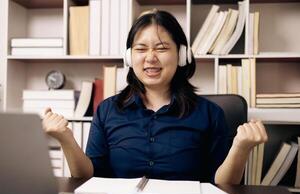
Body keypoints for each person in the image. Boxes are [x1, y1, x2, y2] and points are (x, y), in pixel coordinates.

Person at [43, 10, 268, 184]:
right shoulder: (107, 110)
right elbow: (89, 176)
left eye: (161, 48)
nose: (150, 58)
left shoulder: (210, 114)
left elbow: (223, 184)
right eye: (141, 49)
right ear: (129, 58)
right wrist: (66, 139)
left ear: (181, 55)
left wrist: (241, 148)